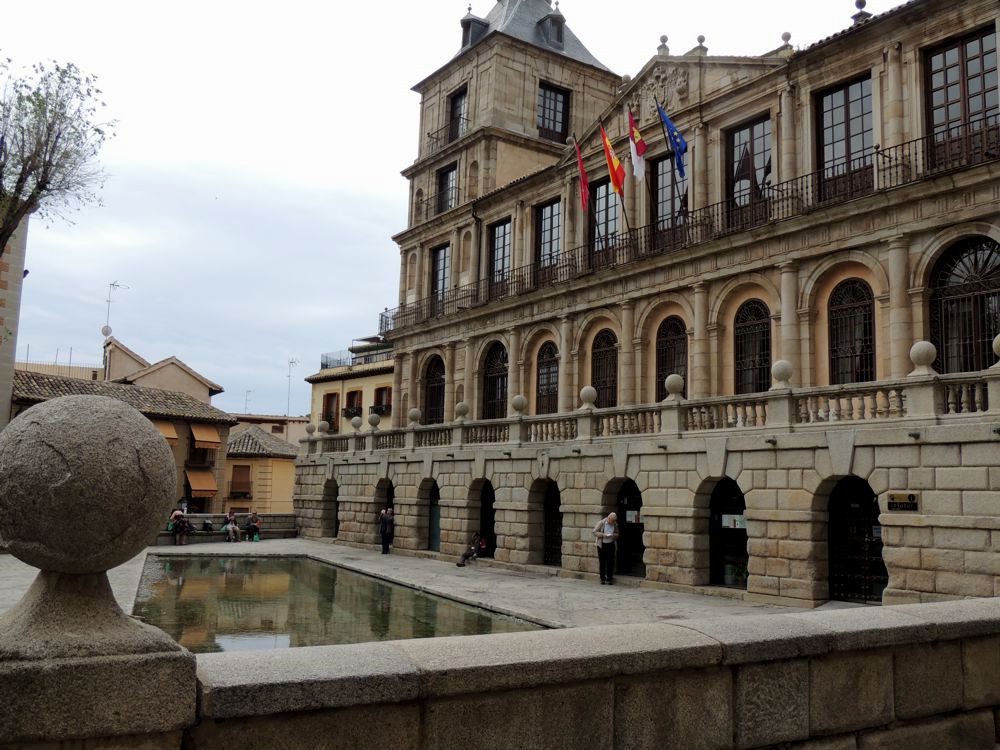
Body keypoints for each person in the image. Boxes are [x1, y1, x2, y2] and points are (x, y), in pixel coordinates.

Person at [592, 512, 619, 585]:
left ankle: (609, 579)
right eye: (612, 521)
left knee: (610, 562)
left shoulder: (615, 524)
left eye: (614, 521)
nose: (613, 522)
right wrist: (603, 535)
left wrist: (613, 535)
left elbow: (617, 534)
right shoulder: (602, 523)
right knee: (602, 562)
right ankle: (602, 579)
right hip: (602, 545)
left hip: (611, 545)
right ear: (608, 518)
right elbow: (594, 532)